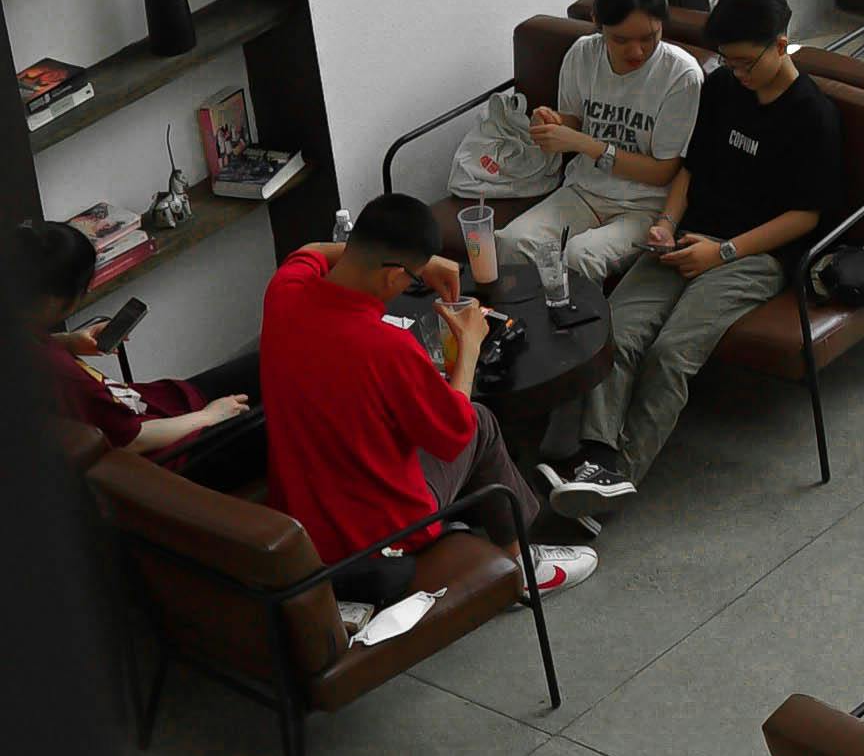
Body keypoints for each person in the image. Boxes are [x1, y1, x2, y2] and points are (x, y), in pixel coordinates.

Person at [544, 0, 845, 510]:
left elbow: (806, 215)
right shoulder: (724, 88)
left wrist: (723, 252)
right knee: (615, 330)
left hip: (753, 256)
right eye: (728, 62)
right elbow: (691, 169)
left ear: (781, 44)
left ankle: (617, 478)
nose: (738, 73)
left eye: (747, 62)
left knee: (670, 352)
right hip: (686, 236)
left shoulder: (811, 115)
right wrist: (665, 224)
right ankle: (597, 458)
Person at [258, 193, 598, 602]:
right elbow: (455, 433)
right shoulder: (388, 348)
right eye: (412, 277)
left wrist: (421, 263)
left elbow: (309, 251)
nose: (414, 281)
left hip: (303, 513)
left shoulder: (284, 291)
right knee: (480, 423)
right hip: (381, 533)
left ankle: (481, 523)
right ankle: (525, 567)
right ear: (391, 277)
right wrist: (470, 344)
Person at [495, 0, 702, 292]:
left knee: (580, 257)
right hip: (583, 191)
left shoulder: (681, 75)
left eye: (650, 37)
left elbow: (663, 171)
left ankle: (580, 340)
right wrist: (553, 121)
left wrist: (582, 144)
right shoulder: (583, 54)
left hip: (643, 206)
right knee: (512, 243)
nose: (637, 52)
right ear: (597, 22)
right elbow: (576, 121)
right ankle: (526, 335)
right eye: (621, 39)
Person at [22, 218, 264, 486]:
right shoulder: (64, 375)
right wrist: (210, 416)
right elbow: (135, 440)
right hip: (171, 455)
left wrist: (68, 341)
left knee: (265, 366)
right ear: (58, 299)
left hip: (154, 403)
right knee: (281, 421)